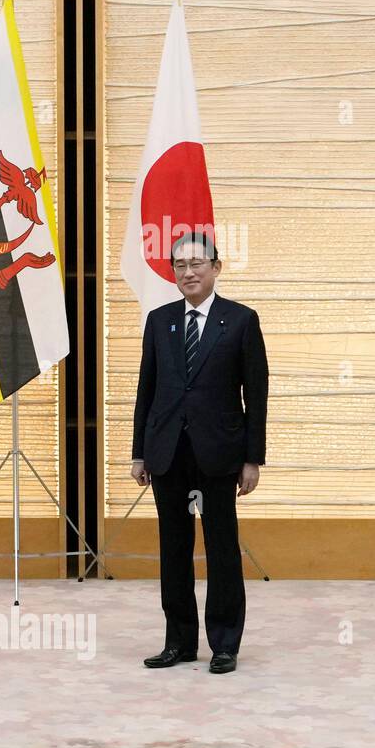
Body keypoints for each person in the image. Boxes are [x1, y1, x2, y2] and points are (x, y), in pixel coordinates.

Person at [131, 230, 268, 675]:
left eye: (196, 264)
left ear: (216, 268)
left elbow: (257, 396)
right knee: (173, 548)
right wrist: (139, 453)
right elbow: (146, 390)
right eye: (180, 266)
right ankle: (180, 642)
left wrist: (253, 459)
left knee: (222, 547)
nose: (188, 272)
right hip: (167, 452)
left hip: (220, 453)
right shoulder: (159, 320)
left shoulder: (242, 321)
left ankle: (224, 643)